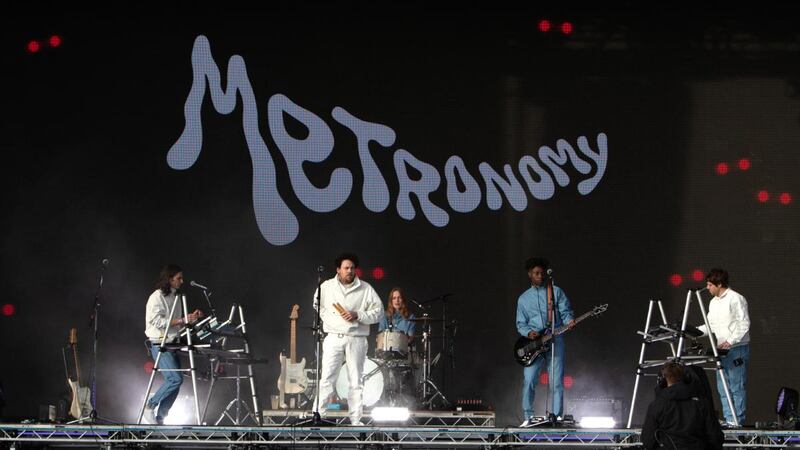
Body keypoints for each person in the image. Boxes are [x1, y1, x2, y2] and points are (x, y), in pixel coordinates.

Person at [314, 253, 383, 425]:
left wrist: (357, 315)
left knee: (356, 380)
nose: (350, 271)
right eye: (346, 268)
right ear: (338, 270)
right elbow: (317, 304)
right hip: (334, 337)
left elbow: (379, 312)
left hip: (356, 338)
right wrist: (331, 319)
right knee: (327, 378)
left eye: (352, 268)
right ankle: (318, 415)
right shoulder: (327, 286)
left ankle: (355, 420)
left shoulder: (366, 288)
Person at [515, 257, 575, 427]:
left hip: (555, 340)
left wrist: (569, 320)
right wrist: (528, 332)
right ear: (530, 274)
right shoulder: (523, 299)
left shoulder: (555, 291)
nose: (540, 276)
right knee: (529, 380)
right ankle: (528, 417)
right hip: (533, 345)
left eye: (542, 273)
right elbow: (520, 323)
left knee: (556, 381)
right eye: (536, 273)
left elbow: (566, 312)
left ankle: (556, 417)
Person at [143, 264, 203, 425]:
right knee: (175, 379)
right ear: (169, 279)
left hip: (172, 343)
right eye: (179, 278)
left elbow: (176, 323)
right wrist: (182, 320)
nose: (182, 281)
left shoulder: (176, 296)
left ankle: (160, 417)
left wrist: (190, 318)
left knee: (176, 382)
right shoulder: (157, 296)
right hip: (159, 342)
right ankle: (149, 406)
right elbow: (156, 322)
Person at [697, 268, 750, 427]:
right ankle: (729, 419)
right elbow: (710, 326)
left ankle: (737, 421)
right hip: (721, 351)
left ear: (719, 284)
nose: (707, 288)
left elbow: (744, 323)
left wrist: (731, 340)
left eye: (710, 284)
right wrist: (692, 332)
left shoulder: (736, 299)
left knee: (736, 386)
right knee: (723, 388)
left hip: (736, 349)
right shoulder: (713, 302)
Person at [641, 362, 724, 450]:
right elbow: (715, 437)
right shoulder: (702, 403)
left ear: (663, 380)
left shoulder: (656, 405)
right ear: (687, 378)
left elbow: (647, 440)